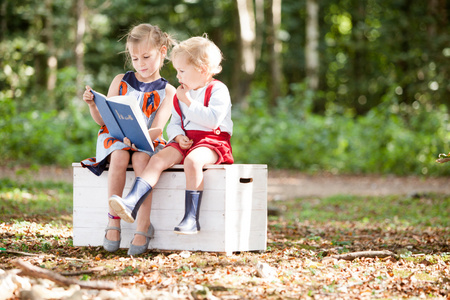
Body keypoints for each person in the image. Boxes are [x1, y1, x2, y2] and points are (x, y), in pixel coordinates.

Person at [108, 35, 233, 249]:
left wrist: (189, 102)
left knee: (192, 162)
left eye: (182, 71)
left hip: (212, 140)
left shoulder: (217, 90)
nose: (178, 76)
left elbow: (213, 120)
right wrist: (176, 136)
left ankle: (191, 218)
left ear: (202, 69)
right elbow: (174, 123)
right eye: (177, 71)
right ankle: (131, 201)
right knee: (156, 160)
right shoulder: (182, 94)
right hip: (185, 139)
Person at [80, 24, 176, 255]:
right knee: (119, 155)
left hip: (147, 140)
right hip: (116, 138)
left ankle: (144, 225)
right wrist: (93, 104)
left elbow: (158, 128)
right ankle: (114, 221)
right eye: (135, 58)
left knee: (144, 161)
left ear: (162, 52)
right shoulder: (120, 80)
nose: (140, 63)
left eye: (146, 56)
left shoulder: (168, 91)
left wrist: (141, 138)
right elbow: (103, 120)